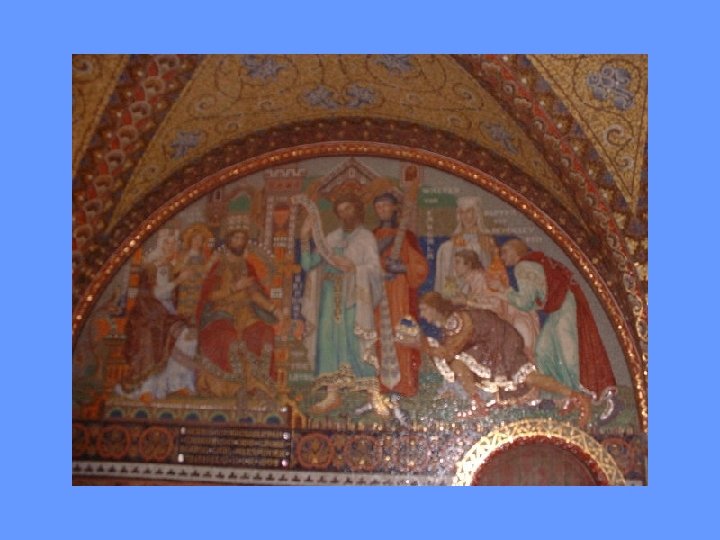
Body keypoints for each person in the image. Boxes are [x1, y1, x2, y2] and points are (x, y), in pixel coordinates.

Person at [409, 292, 591, 428]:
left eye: (424, 309)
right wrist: (426, 345)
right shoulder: (450, 324)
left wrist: (423, 344)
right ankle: (478, 403)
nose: (423, 315)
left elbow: (451, 350)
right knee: (460, 363)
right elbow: (450, 352)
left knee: (526, 376)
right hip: (489, 344)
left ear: (434, 307)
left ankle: (575, 396)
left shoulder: (459, 319)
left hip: (500, 342)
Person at [300, 193, 398, 413]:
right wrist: (305, 237)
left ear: (358, 210)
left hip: (354, 297)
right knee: (327, 341)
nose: (345, 214)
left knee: (356, 340)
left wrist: (354, 267)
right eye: (341, 210)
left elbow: (374, 269)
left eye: (349, 208)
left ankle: (373, 394)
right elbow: (308, 264)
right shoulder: (331, 238)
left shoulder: (365, 237)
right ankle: (332, 394)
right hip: (329, 297)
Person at [491, 238, 617, 403]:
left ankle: (580, 394)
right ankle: (561, 396)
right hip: (559, 306)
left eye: (504, 252)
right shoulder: (532, 263)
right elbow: (536, 301)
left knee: (567, 349)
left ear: (516, 251)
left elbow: (525, 302)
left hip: (564, 306)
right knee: (543, 350)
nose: (502, 257)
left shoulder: (523, 266)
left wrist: (503, 291)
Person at [196, 224, 280, 397]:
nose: (239, 241)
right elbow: (209, 296)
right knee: (228, 338)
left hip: (246, 313)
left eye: (242, 238)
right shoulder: (219, 266)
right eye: (236, 237)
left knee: (264, 332)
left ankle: (257, 384)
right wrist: (234, 287)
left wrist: (274, 309)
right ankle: (231, 387)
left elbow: (255, 294)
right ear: (229, 240)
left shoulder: (248, 267)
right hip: (221, 312)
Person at [119, 228, 197, 401]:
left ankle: (177, 383)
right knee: (151, 338)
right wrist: (179, 280)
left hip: (166, 315)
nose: (172, 248)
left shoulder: (169, 267)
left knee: (188, 336)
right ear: (161, 245)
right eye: (168, 244)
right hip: (147, 316)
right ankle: (147, 387)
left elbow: (176, 297)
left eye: (174, 244)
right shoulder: (152, 267)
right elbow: (156, 294)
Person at [372, 191, 428, 397]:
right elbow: (362, 264)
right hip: (378, 292)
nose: (382, 210)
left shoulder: (406, 236)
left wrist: (402, 268)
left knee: (401, 333)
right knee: (379, 334)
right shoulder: (371, 237)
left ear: (395, 208)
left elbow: (420, 267)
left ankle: (404, 383)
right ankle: (381, 385)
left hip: (400, 293)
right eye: (378, 207)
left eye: (386, 205)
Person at [451, 249, 538, 360]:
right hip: (503, 322)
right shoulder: (471, 281)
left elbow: (495, 307)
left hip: (513, 319)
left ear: (469, 264)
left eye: (458, 262)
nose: (454, 266)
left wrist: (467, 302)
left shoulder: (479, 278)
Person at [434, 196, 499, 298]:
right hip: (456, 285)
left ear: (476, 213)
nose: (465, 216)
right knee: (445, 248)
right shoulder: (455, 239)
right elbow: (450, 267)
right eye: (462, 212)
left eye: (469, 211)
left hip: (478, 284)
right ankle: (450, 295)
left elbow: (489, 264)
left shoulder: (485, 238)